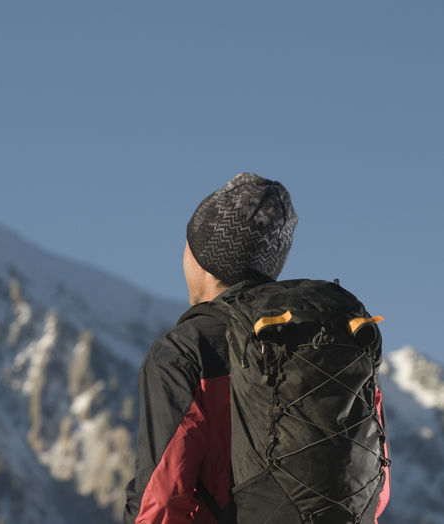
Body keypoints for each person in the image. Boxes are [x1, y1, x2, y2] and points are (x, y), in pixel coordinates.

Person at [123, 173, 389, 523]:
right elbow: (376, 489)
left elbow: (159, 500)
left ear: (199, 256)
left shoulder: (186, 350)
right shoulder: (332, 338)